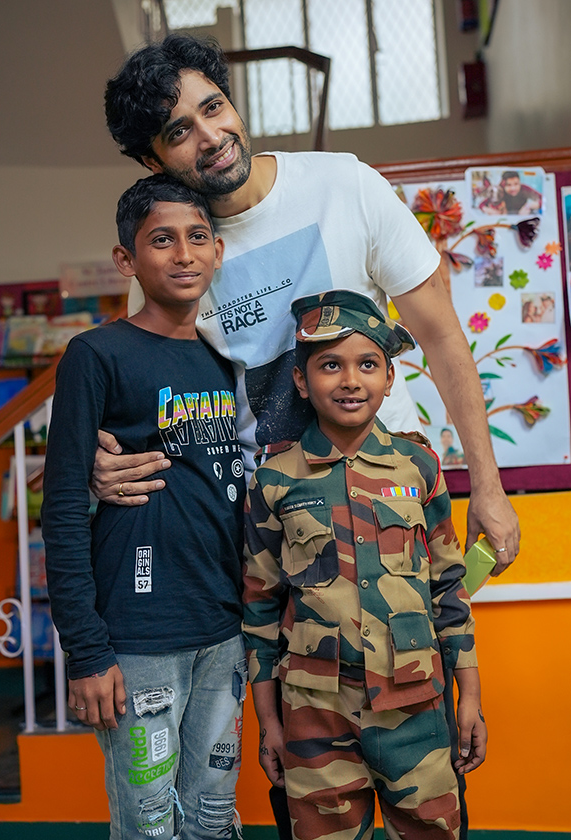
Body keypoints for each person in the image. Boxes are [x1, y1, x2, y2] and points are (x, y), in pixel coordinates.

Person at [95, 34, 519, 575]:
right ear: (152, 160)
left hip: (388, 488)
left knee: (412, 652)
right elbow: (145, 390)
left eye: (213, 107)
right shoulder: (173, 257)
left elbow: (441, 338)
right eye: (179, 131)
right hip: (270, 519)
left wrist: (487, 485)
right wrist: (97, 457)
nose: (211, 137)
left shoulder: (345, 185)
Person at [42, 174, 247, 840]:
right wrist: (86, 651)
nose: (183, 254)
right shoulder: (96, 355)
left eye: (196, 238)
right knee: (150, 824)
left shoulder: (230, 358)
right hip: (136, 641)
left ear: (217, 250)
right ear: (128, 259)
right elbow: (64, 509)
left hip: (223, 630)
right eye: (162, 240)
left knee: (214, 817)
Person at [243, 289, 486, 839]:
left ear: (389, 378)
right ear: (303, 381)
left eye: (368, 364)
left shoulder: (419, 465)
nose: (351, 380)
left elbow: (449, 590)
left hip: (417, 709)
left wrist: (469, 698)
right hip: (314, 714)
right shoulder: (275, 479)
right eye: (330, 365)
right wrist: (268, 725)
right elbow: (259, 610)